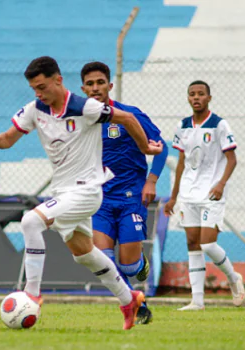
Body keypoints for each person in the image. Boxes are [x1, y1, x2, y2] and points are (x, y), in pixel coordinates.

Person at [0, 56, 163, 330]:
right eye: (34, 89)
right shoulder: (35, 109)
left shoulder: (84, 107)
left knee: (30, 221)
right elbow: (9, 138)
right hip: (63, 192)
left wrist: (146, 148)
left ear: (58, 80)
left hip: (87, 191)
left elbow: (126, 117)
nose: (39, 93)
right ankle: (129, 300)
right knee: (85, 253)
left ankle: (31, 294)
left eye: (42, 87)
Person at [80, 61, 168, 325]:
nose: (95, 88)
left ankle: (139, 266)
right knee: (102, 258)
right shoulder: (80, 120)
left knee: (129, 266)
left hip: (131, 197)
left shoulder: (129, 115)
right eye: (90, 83)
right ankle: (135, 304)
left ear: (110, 85)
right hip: (100, 200)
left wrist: (151, 181)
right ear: (83, 88)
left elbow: (161, 147)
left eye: (100, 82)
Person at [163, 80, 245, 310]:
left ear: (209, 98)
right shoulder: (183, 126)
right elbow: (181, 162)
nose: (196, 97)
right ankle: (197, 301)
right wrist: (173, 196)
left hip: (212, 192)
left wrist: (221, 184)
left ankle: (232, 277)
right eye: (192, 94)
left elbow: (232, 159)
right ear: (188, 98)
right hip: (188, 193)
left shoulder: (220, 125)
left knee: (208, 244)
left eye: (201, 94)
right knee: (192, 244)